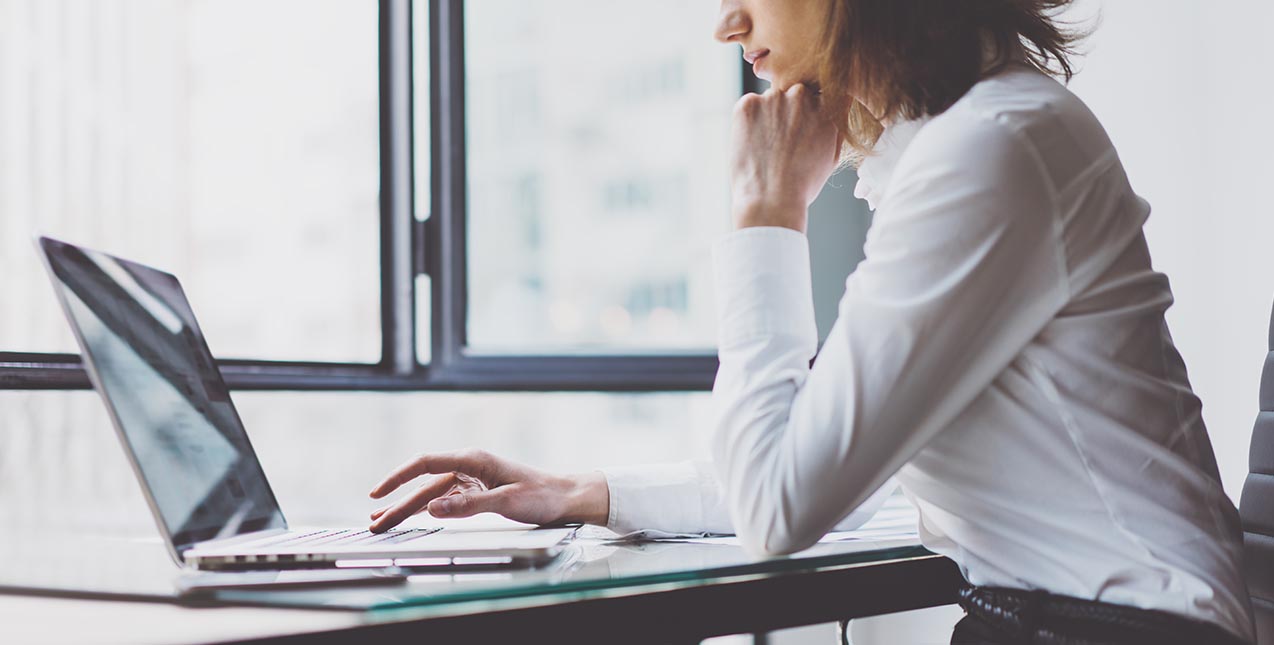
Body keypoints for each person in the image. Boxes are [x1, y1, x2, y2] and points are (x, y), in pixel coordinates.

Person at [367, 1, 1255, 642]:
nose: (725, 25)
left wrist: (766, 213)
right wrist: (584, 492)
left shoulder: (992, 150)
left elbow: (781, 507)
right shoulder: (966, 144)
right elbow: (822, 461)